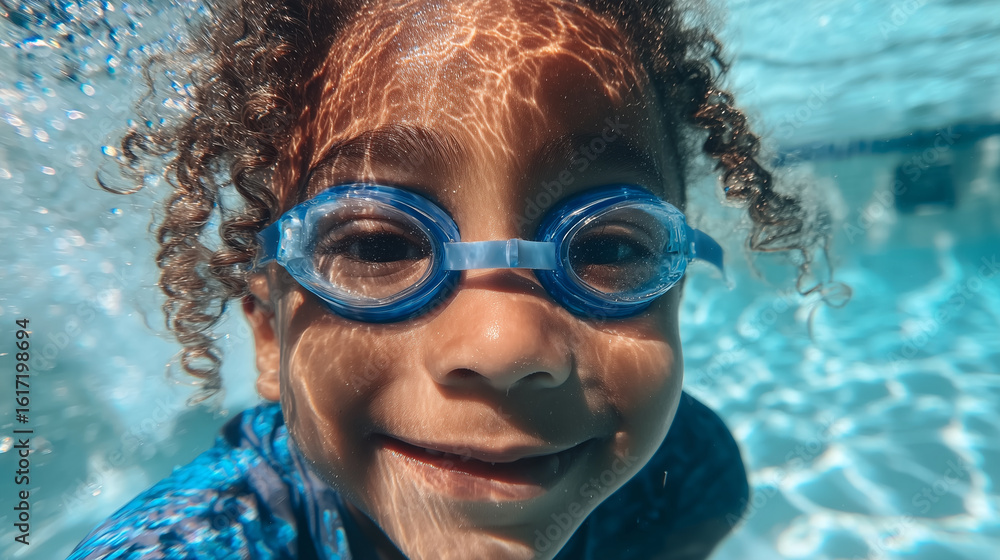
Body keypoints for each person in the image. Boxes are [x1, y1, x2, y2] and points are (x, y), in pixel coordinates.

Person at [69, 0, 820, 558]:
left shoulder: (689, 483)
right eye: (376, 246)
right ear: (267, 332)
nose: (505, 342)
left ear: (676, 292)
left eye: (611, 249)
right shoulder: (191, 544)